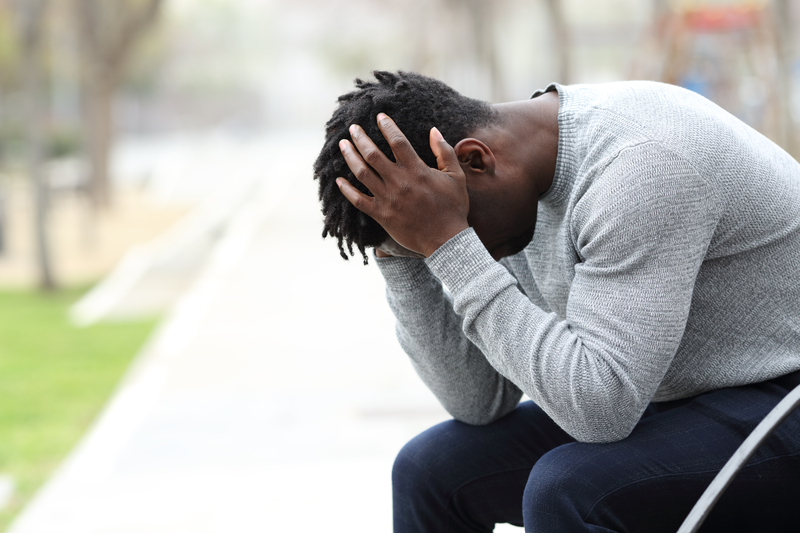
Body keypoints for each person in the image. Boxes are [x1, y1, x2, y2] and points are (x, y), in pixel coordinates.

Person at [312, 70, 800, 532]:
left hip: (782, 396)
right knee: (430, 469)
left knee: (570, 488)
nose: (463, 248)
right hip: (664, 395)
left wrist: (448, 241)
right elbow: (479, 402)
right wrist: (405, 254)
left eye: (453, 228)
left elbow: (601, 408)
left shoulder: (641, 164)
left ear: (475, 159)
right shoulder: (502, 186)